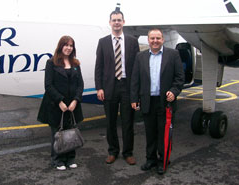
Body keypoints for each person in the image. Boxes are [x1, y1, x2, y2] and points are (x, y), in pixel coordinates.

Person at [130, 28, 185, 175]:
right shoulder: (140, 56)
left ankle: (163, 160)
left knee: (163, 133)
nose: (155, 41)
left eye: (158, 38)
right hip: (147, 101)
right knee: (150, 132)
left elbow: (180, 77)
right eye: (152, 38)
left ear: (163, 40)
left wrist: (174, 92)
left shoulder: (173, 55)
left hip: (165, 102)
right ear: (148, 40)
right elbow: (135, 79)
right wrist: (134, 98)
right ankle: (151, 159)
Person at [94, 10, 139, 165]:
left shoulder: (133, 41)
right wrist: (99, 87)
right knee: (110, 122)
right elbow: (98, 67)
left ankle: (128, 152)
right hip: (109, 87)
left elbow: (137, 67)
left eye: (119, 20)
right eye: (114, 20)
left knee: (128, 122)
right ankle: (113, 151)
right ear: (110, 22)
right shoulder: (103, 42)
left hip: (127, 86)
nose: (117, 23)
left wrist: (136, 89)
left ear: (124, 22)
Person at [37, 35, 84, 171]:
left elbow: (80, 84)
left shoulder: (75, 64)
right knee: (58, 133)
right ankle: (57, 159)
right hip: (56, 105)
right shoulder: (51, 63)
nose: (68, 48)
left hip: (72, 105)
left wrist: (76, 100)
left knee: (71, 133)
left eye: (71, 46)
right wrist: (60, 101)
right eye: (66, 45)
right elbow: (48, 85)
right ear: (60, 46)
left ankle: (70, 158)